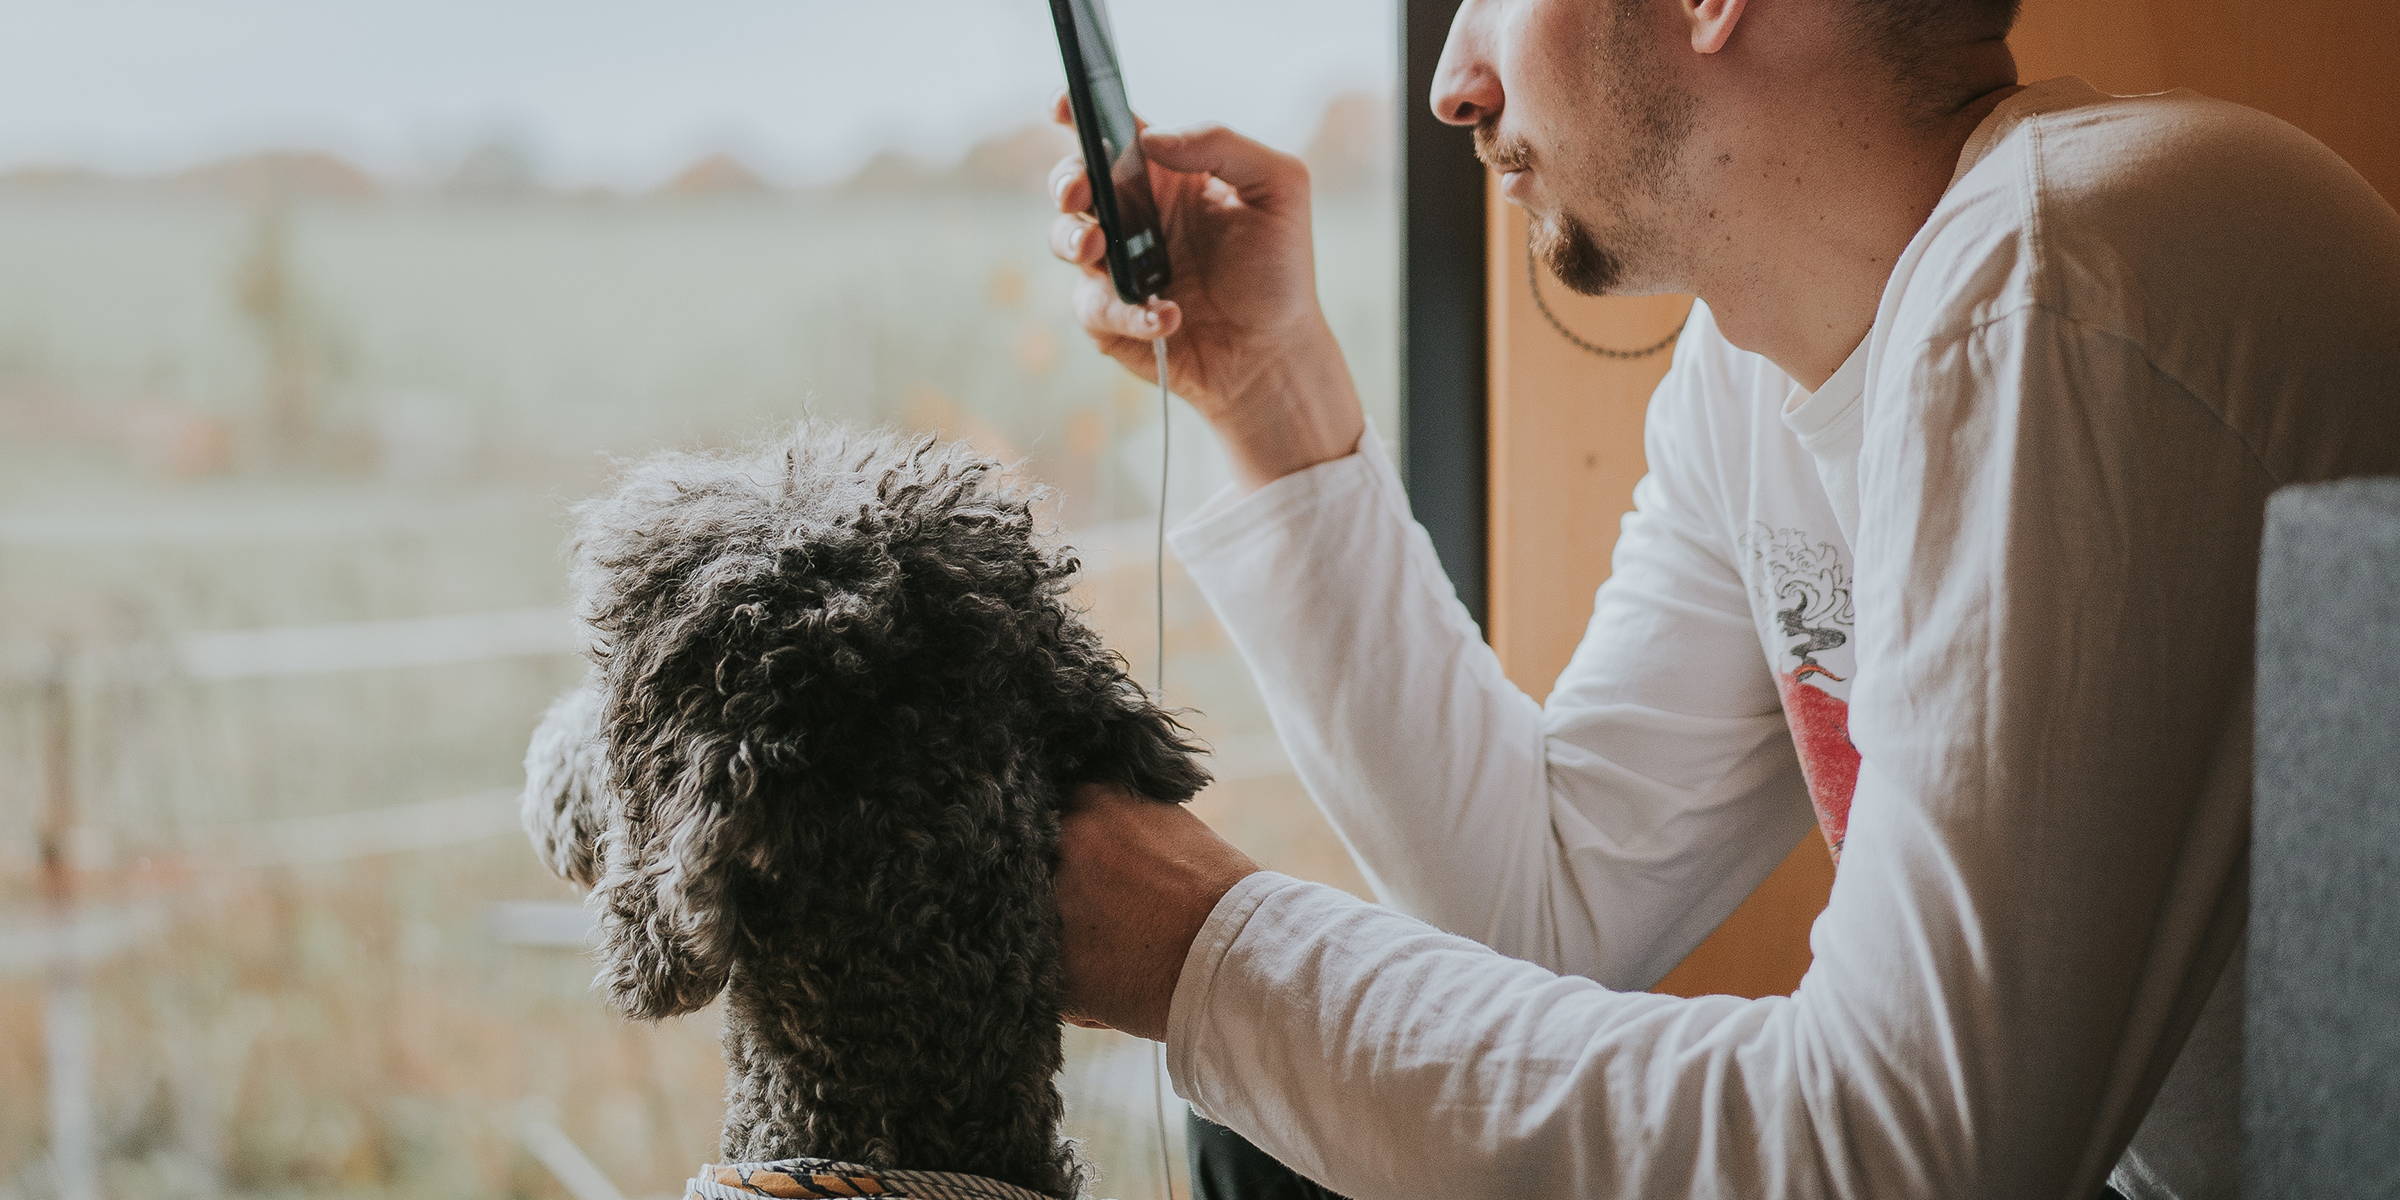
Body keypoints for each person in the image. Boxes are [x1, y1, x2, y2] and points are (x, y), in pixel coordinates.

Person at [1037, 0, 2400, 1196]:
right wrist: (1267, 388)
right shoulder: (1763, 365)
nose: (1455, 80)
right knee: (1273, 1142)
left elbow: (1901, 1156)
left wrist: (1202, 957)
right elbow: (1544, 910)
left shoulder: (2063, 280)